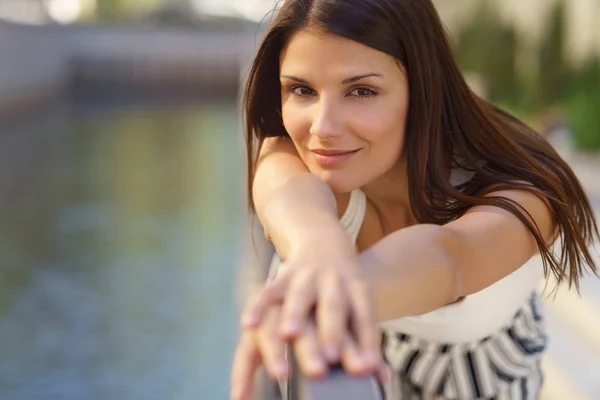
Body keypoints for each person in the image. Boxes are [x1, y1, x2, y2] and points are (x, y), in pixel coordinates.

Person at [230, 0, 599, 399]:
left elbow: (451, 259)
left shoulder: (521, 190)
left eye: (362, 91)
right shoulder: (293, 155)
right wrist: (320, 251)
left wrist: (332, 293)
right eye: (302, 89)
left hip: (481, 379)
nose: (323, 127)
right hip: (365, 356)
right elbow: (286, 196)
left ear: (423, 89)